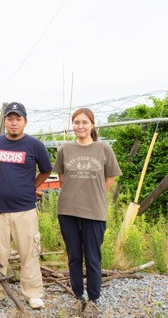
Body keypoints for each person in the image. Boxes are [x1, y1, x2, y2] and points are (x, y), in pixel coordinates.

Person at [0, 102, 52, 309]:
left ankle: (33, 293)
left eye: (18, 119)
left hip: (25, 210)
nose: (14, 123)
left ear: (25, 122)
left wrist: (31, 187)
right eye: (10, 119)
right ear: (5, 121)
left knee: (29, 252)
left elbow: (46, 170)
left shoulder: (35, 146)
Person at [54, 108, 121, 316]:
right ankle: (78, 296)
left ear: (92, 125)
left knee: (92, 257)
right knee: (74, 256)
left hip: (94, 211)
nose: (80, 126)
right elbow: (63, 178)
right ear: (72, 125)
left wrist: (95, 195)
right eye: (76, 122)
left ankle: (93, 298)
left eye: (84, 122)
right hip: (68, 210)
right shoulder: (65, 149)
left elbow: (109, 179)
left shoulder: (103, 149)